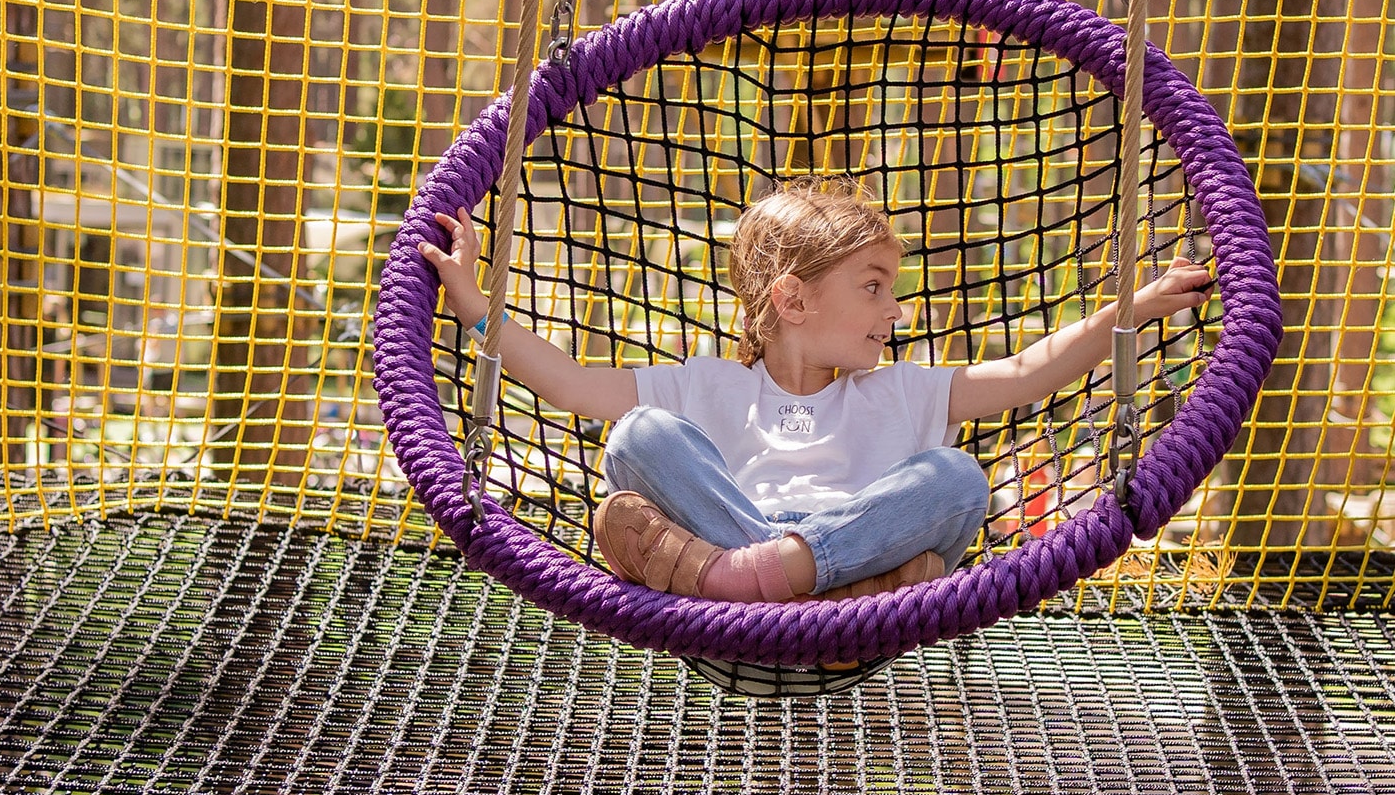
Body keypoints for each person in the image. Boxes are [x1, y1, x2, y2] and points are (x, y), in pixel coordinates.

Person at [419, 177, 1216, 603]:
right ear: (793, 300)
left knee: (955, 480)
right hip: (736, 528)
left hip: (834, 543)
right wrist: (475, 307)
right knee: (637, 439)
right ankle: (780, 573)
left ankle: (781, 574)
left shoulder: (897, 392)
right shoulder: (704, 385)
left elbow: (1026, 372)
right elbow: (566, 384)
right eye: (872, 287)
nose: (895, 310)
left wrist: (1132, 307)